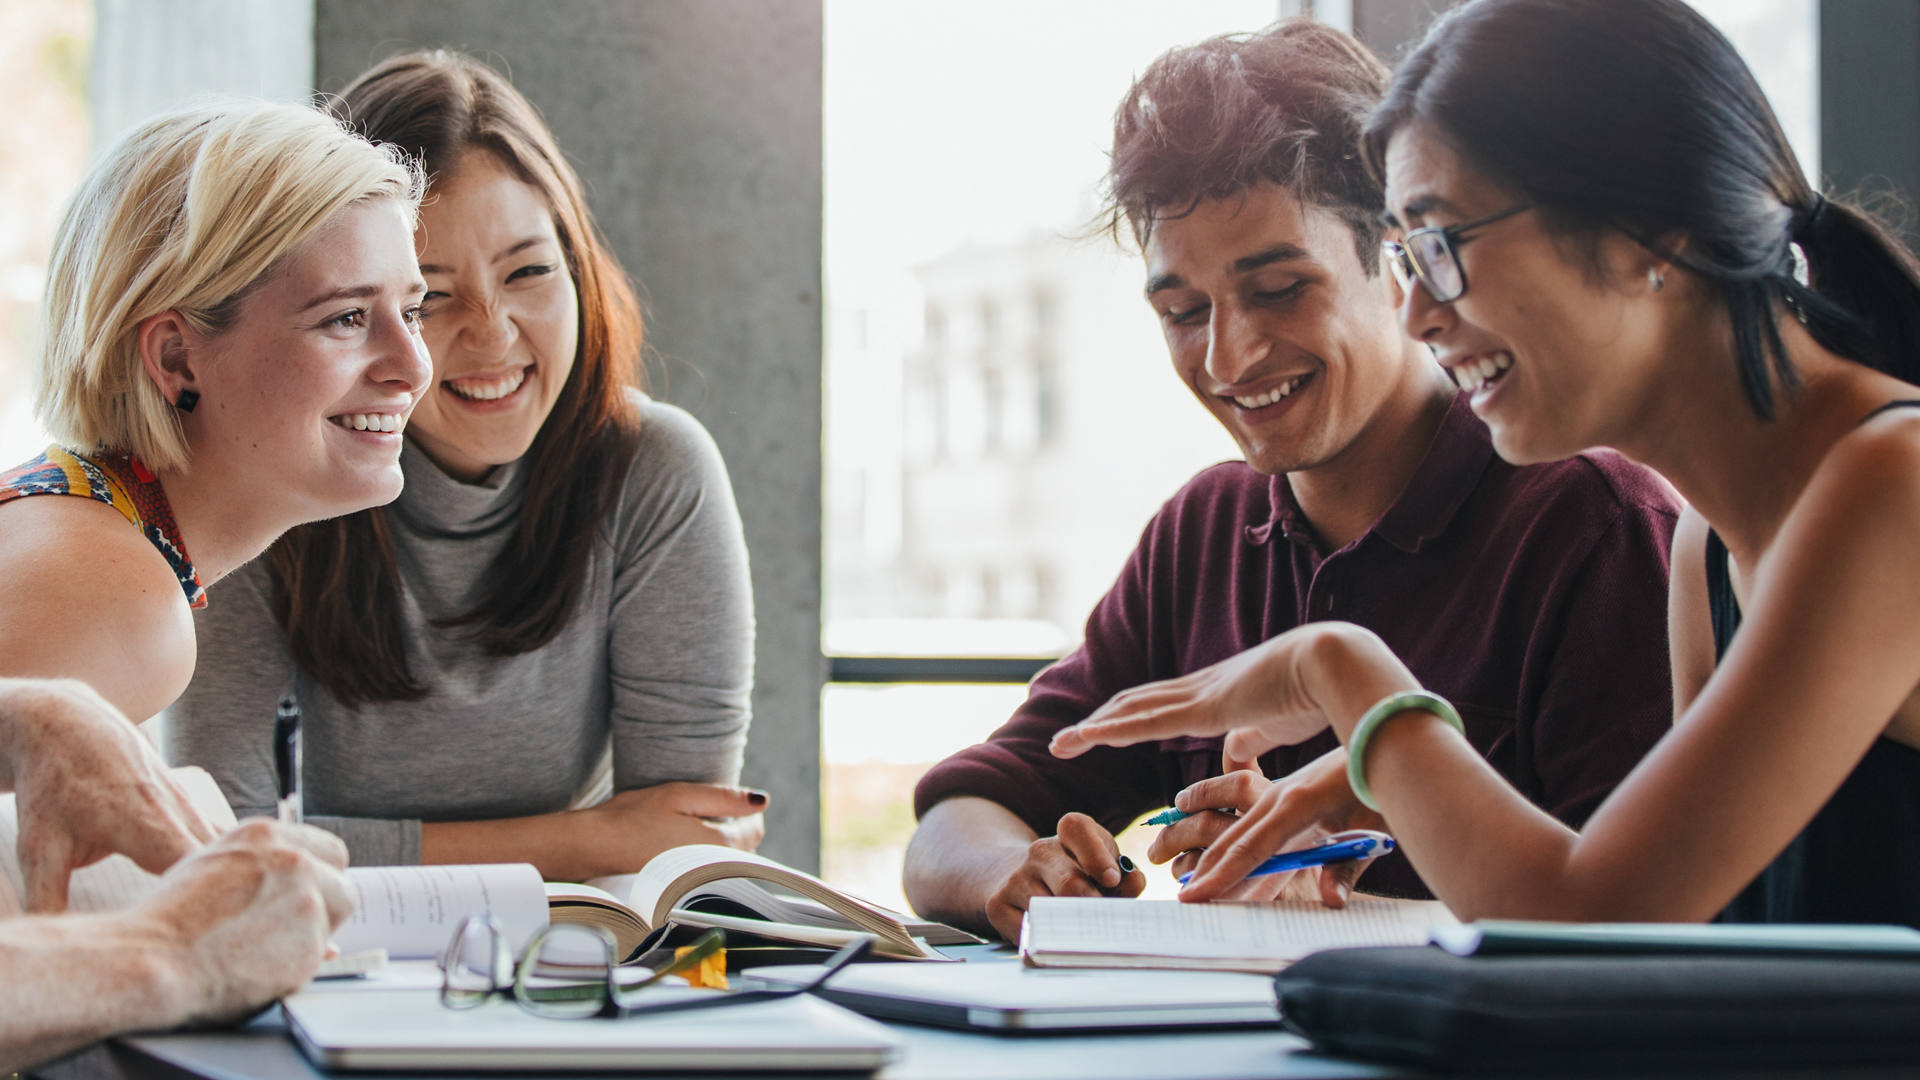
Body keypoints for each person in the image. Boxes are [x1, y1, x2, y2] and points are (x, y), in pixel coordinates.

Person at [1054, 0, 1920, 928]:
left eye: (1443, 244)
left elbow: (1596, 923)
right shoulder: (1707, 546)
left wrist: (1346, 676)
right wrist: (1392, 799)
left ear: (1650, 231)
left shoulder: (1889, 485)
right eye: (1402, 253)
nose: (1417, 312)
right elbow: (1682, 947)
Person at [905, 18, 1682, 941]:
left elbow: (1636, 926)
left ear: (1398, 262)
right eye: (1184, 311)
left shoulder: (1591, 524)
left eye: (1278, 290)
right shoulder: (1204, 533)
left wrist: (1347, 849)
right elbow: (956, 819)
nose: (1228, 356)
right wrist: (1012, 871)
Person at [166, 51, 762, 881]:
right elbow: (226, 846)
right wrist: (583, 839)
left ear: (580, 268)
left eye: (529, 271)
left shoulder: (653, 471)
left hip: (570, 962)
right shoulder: (265, 474)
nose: (492, 335)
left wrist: (619, 845)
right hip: (317, 963)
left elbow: (677, 842)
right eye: (429, 298)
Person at [0, 98, 423, 1063]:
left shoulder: (87, 526)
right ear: (177, 355)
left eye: (414, 308)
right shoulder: (115, 596)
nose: (410, 365)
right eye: (349, 317)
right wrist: (168, 955)